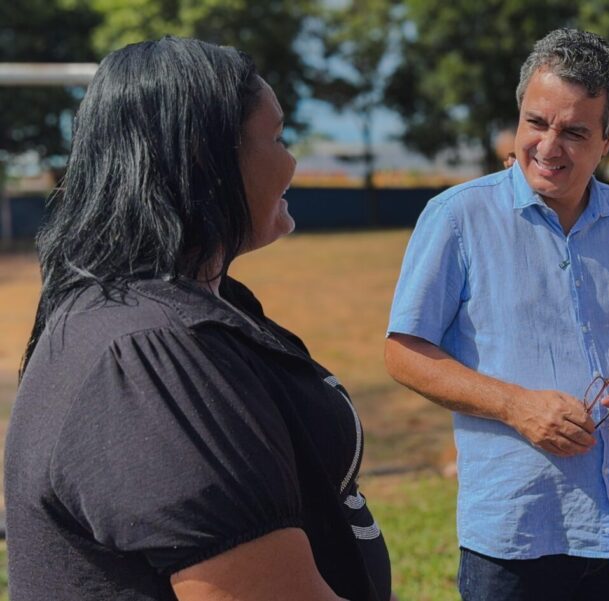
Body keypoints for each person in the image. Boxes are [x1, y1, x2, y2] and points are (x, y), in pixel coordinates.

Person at [5, 37, 390, 601]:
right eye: (277, 137)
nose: (292, 161)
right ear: (206, 159)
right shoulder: (145, 354)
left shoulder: (186, 307)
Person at [385, 28, 609, 601]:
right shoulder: (456, 217)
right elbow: (402, 352)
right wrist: (516, 406)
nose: (549, 147)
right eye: (536, 123)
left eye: (574, 132)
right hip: (514, 534)